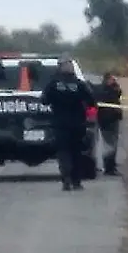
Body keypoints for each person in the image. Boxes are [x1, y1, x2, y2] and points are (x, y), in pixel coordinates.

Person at [40, 57, 97, 191]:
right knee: (76, 152)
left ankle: (66, 180)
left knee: (63, 152)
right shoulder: (79, 84)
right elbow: (91, 101)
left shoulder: (53, 84)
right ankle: (76, 182)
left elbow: (44, 100)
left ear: (59, 68)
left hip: (60, 124)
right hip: (77, 124)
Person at [93, 72, 124, 175]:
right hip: (107, 120)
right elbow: (114, 95)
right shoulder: (105, 90)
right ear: (107, 80)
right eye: (112, 79)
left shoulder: (112, 88)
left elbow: (119, 93)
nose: (114, 81)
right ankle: (109, 167)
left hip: (111, 119)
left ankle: (110, 166)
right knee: (110, 145)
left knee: (111, 144)